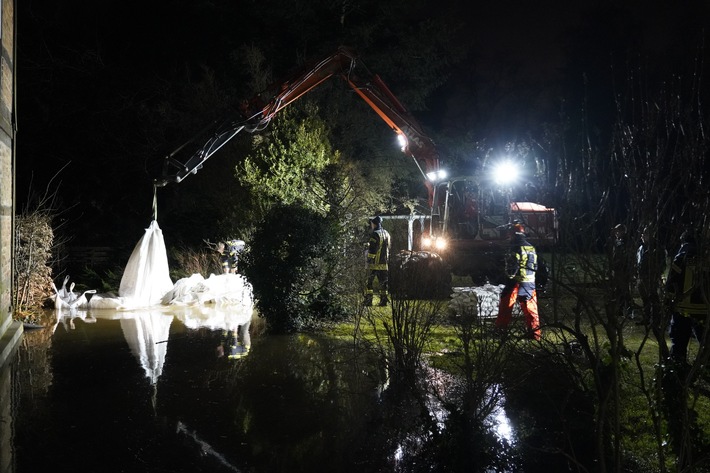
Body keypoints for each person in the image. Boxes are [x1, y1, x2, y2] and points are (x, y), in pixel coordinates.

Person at [665, 229, 706, 364]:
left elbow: (671, 283)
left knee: (679, 343)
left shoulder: (681, 257)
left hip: (683, 309)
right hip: (704, 310)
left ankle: (678, 372)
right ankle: (704, 369)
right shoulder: (706, 257)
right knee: (705, 343)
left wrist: (668, 302)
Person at [494, 223, 541, 340]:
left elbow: (512, 268)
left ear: (513, 235)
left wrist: (507, 276)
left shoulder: (515, 248)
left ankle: (500, 331)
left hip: (515, 283)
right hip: (529, 283)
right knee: (531, 310)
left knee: (506, 306)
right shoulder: (531, 247)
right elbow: (535, 266)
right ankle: (534, 334)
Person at [635, 225, 666, 326]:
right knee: (645, 299)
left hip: (650, 277)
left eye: (644, 234)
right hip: (641, 277)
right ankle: (647, 318)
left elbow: (662, 264)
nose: (642, 236)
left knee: (653, 298)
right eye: (642, 234)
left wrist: (656, 274)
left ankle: (656, 320)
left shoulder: (657, 248)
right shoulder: (641, 248)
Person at [608, 223, 635, 317]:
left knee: (625, 291)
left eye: (618, 231)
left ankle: (629, 311)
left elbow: (628, 257)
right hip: (617, 270)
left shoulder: (627, 242)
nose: (616, 233)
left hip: (624, 271)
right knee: (618, 291)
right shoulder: (617, 241)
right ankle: (620, 310)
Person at [365, 216, 391, 307]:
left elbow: (372, 249)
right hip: (384, 263)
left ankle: (368, 301)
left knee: (369, 282)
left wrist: (369, 260)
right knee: (383, 283)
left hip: (374, 263)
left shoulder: (375, 234)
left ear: (374, 224)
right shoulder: (387, 233)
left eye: (372, 223)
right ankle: (383, 301)